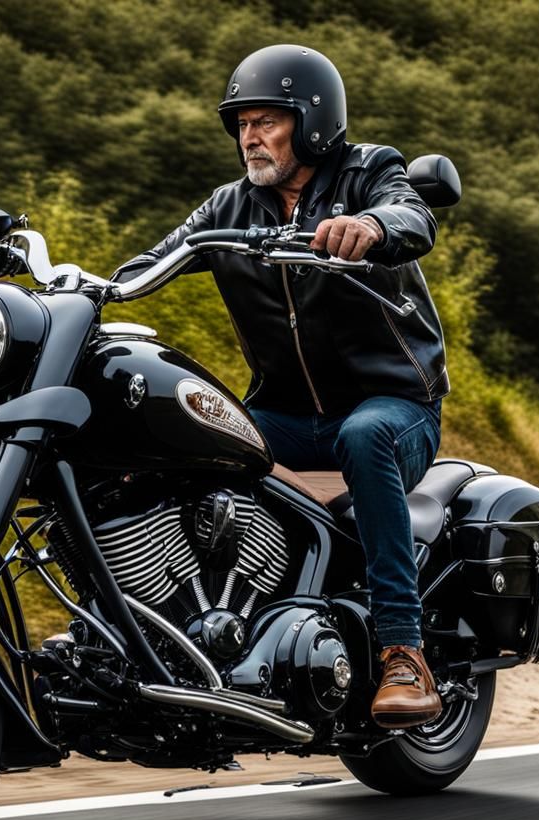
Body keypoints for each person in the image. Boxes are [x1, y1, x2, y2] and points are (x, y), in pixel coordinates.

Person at [113, 44, 449, 728]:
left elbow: (412, 215)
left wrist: (372, 226)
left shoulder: (367, 171)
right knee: (193, 432)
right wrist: (90, 285)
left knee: (364, 436)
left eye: (268, 119)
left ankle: (403, 651)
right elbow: (159, 255)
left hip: (394, 406)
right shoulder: (230, 205)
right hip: (287, 414)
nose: (250, 136)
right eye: (241, 122)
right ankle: (208, 630)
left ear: (314, 122)